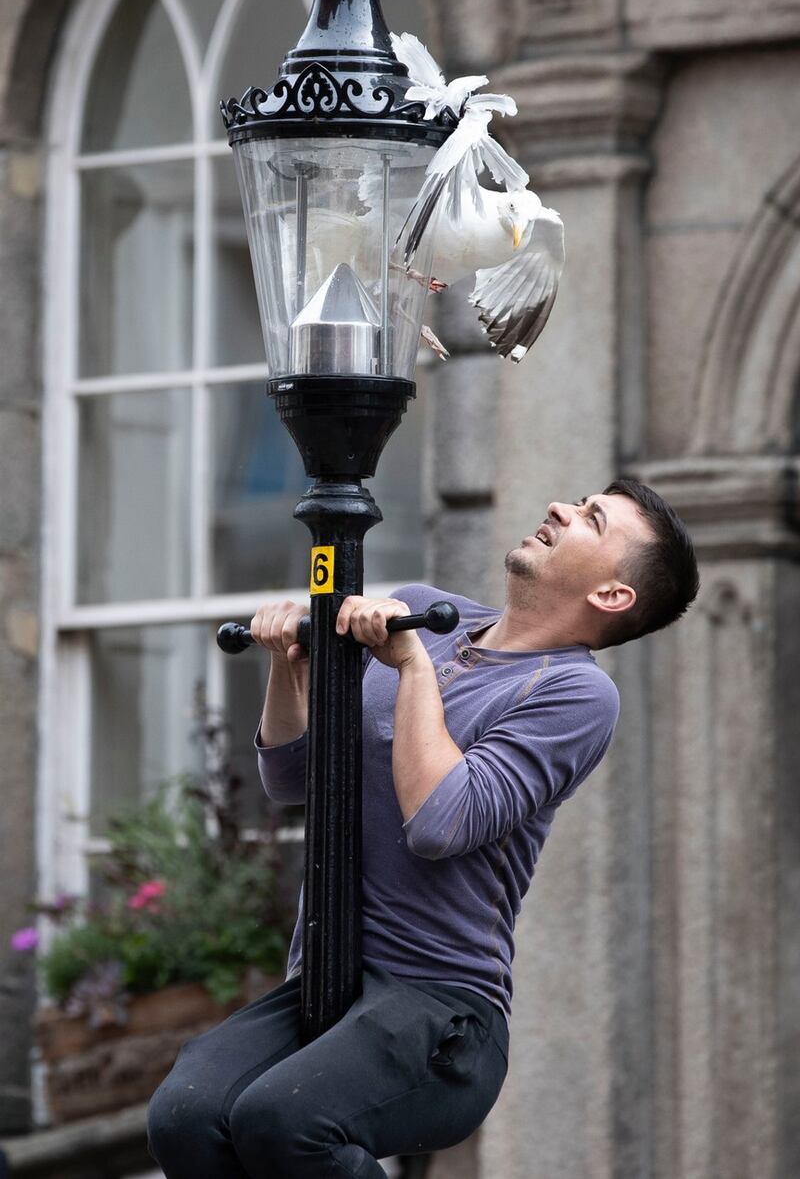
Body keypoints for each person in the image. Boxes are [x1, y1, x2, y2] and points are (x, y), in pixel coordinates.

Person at [147, 476, 699, 1178]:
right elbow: (293, 781)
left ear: (613, 595)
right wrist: (291, 669)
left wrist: (411, 667)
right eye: (576, 499)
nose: (560, 505)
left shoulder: (574, 691)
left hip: (442, 1014)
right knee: (185, 1115)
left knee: (284, 1119)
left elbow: (441, 819)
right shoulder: (416, 610)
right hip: (325, 980)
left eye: (592, 518)